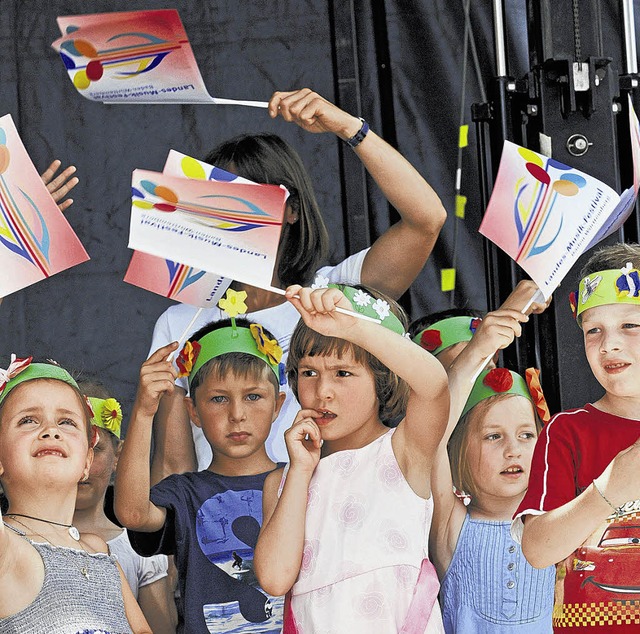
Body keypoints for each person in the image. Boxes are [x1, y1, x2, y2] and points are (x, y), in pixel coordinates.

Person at [149, 87, 447, 479]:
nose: (229, 218)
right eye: (214, 202)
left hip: (329, 521)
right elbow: (175, 473)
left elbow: (427, 220)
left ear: (292, 210)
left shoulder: (335, 294)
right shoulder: (180, 322)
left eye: (247, 202)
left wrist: (348, 128)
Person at [254, 284, 449, 633]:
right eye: (309, 372)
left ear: (382, 377)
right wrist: (300, 470)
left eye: (342, 373)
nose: (322, 391)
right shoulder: (282, 481)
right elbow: (274, 578)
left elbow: (433, 385)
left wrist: (352, 327)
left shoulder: (404, 450)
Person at [115, 297, 288, 633]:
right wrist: (144, 411)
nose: (237, 414)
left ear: (278, 405)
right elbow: (133, 514)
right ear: (192, 411)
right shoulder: (185, 493)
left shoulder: (301, 483)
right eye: (218, 398)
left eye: (253, 396)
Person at [514, 243, 640, 631]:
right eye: (593, 330)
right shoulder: (567, 431)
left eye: (630, 325)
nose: (609, 344)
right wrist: (608, 489)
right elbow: (537, 550)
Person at [426, 289, 555, 632]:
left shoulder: (558, 522)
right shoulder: (449, 524)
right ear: (457, 455)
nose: (513, 450)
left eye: (527, 435)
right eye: (493, 436)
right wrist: (481, 346)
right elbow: (433, 435)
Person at [0, 356, 150, 633]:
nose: (51, 431)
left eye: (67, 422)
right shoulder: (5, 547)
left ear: (86, 462)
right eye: (28, 420)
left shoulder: (98, 552)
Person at [74, 383, 177, 634]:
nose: (83, 463)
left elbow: (161, 628)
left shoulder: (139, 547)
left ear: (118, 455)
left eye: (95, 449)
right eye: (73, 446)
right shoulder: (16, 539)